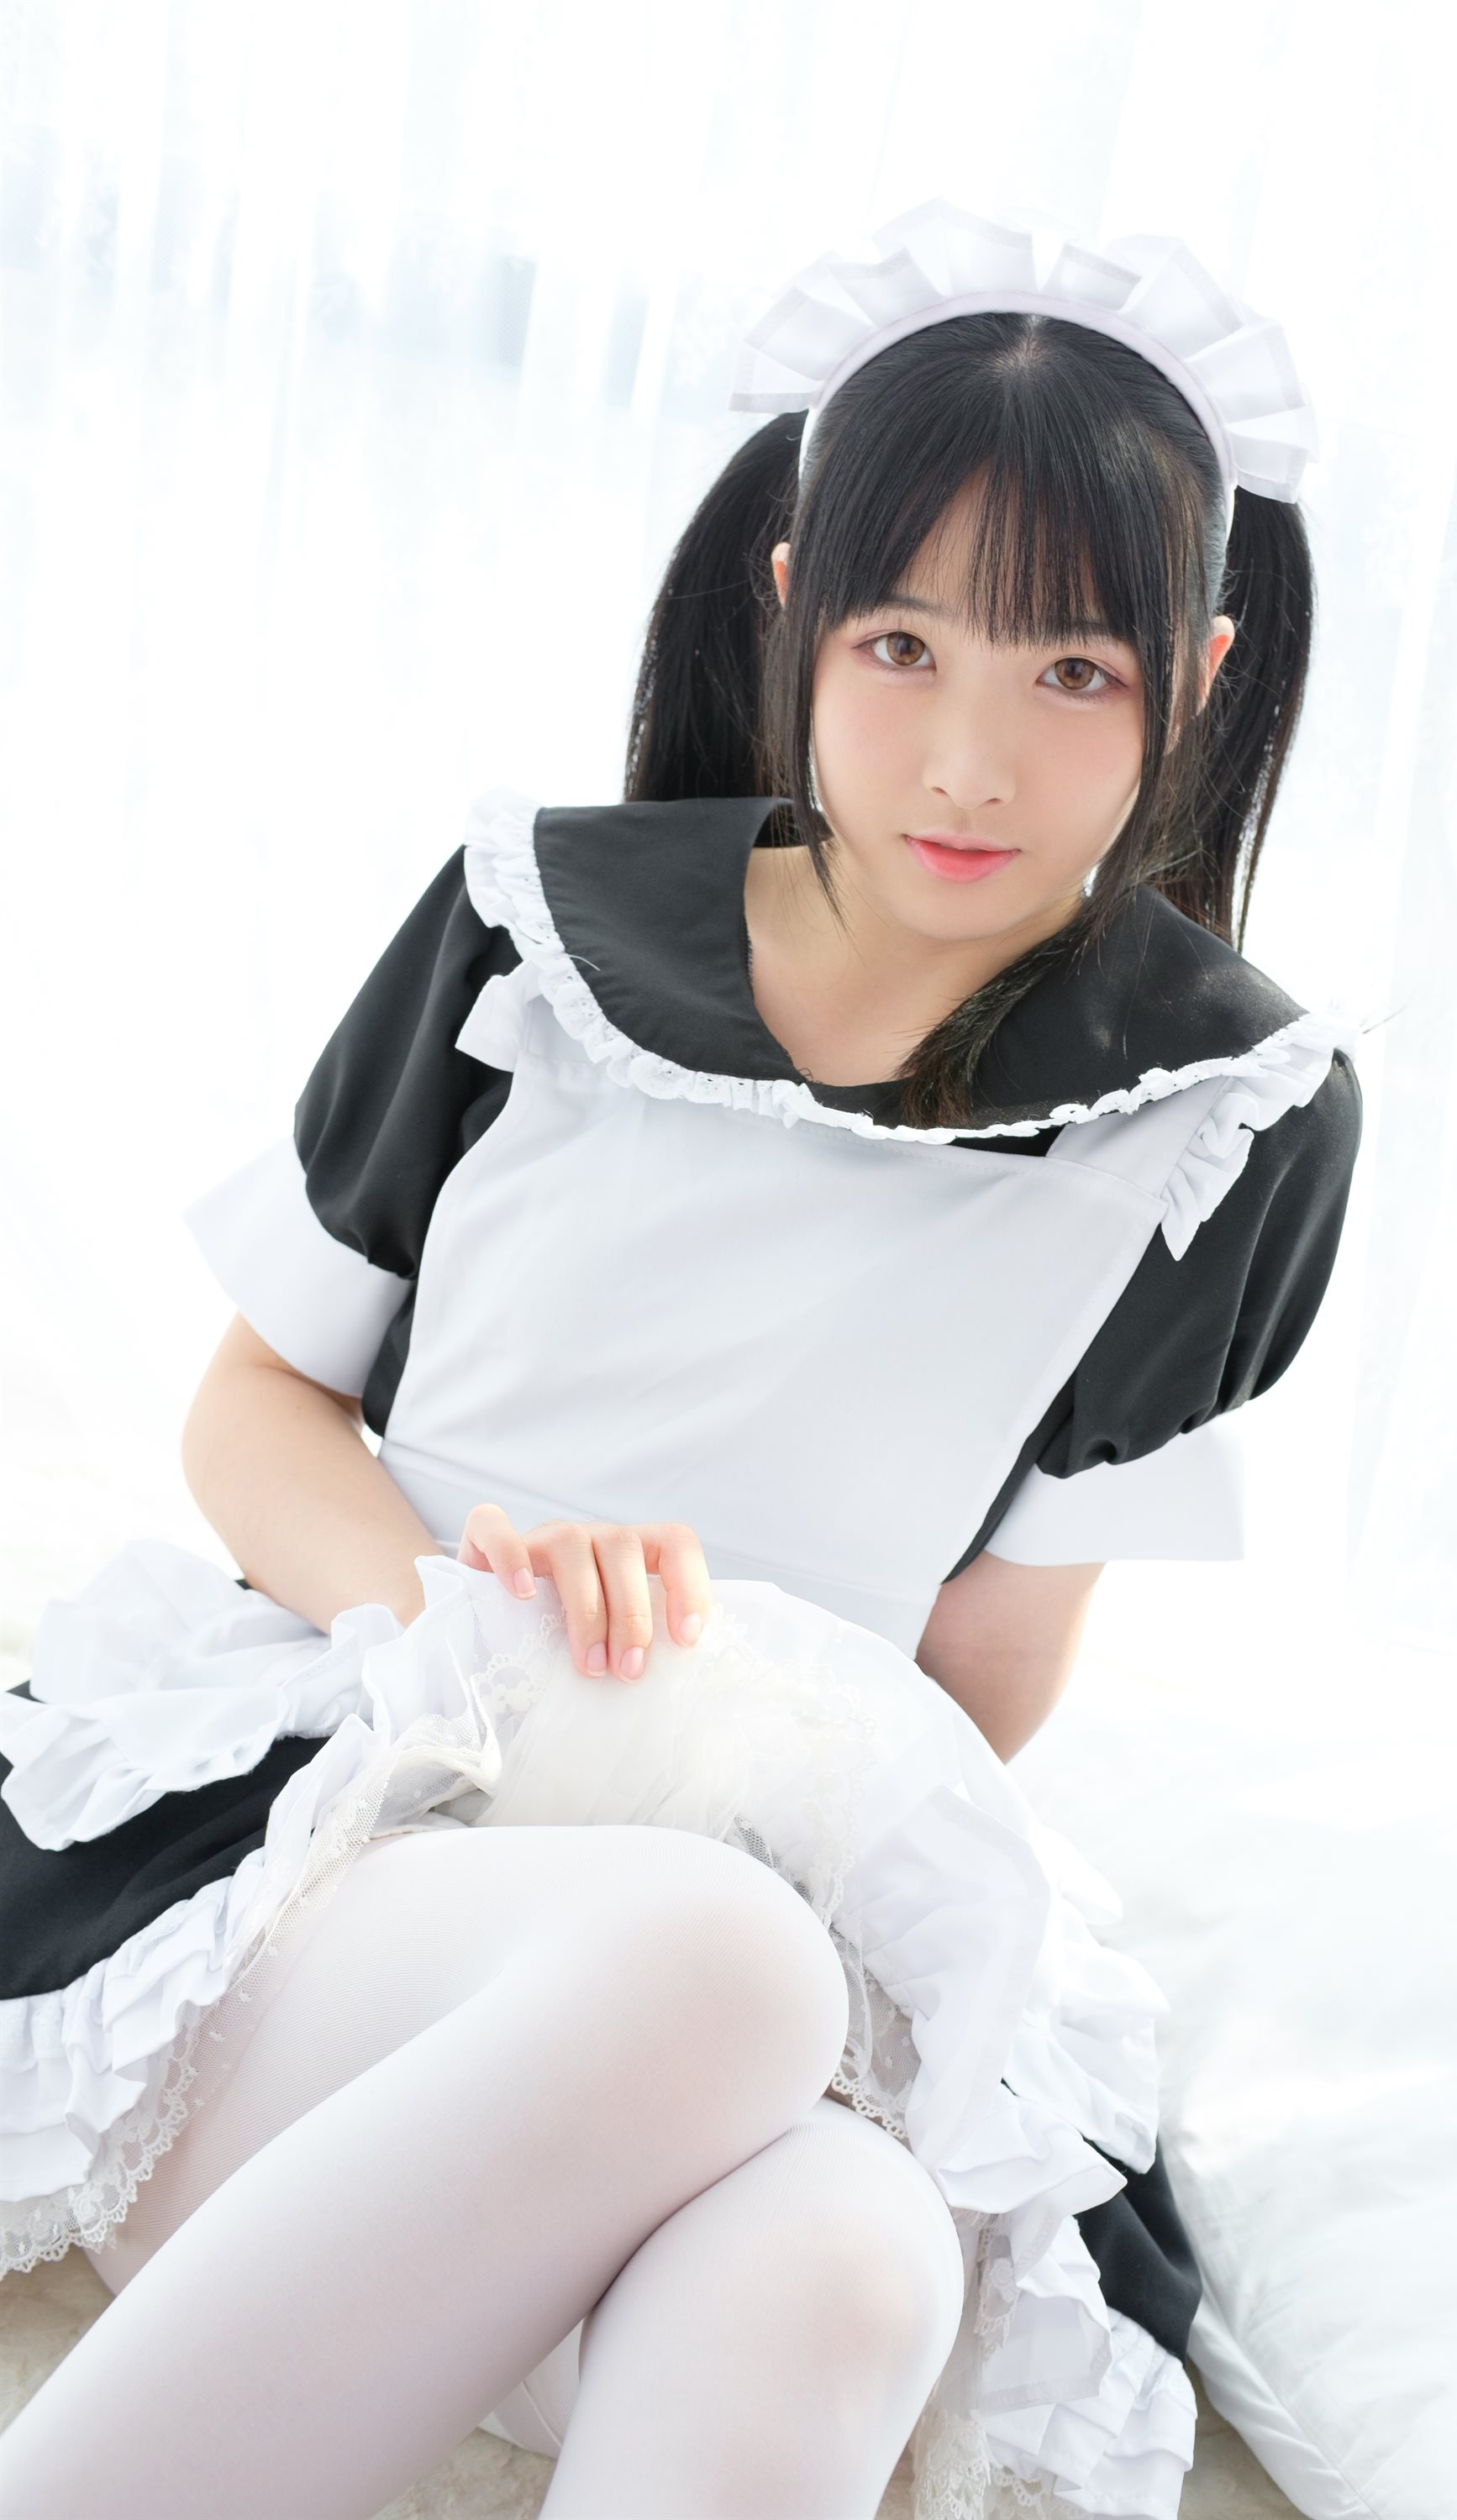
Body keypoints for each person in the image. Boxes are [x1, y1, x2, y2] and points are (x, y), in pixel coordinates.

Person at [0, 199, 1360, 2520]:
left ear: (1201, 674)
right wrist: (478, 1634)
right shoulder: (534, 924)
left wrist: (707, 1702)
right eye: (902, 645)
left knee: (849, 2250)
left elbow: (985, 1675)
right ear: (789, 610)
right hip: (333, 1833)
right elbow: (256, 1406)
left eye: (1074, 674)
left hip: (757, 1890)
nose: (970, 761)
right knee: (720, 1973)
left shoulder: (1234, 1117)